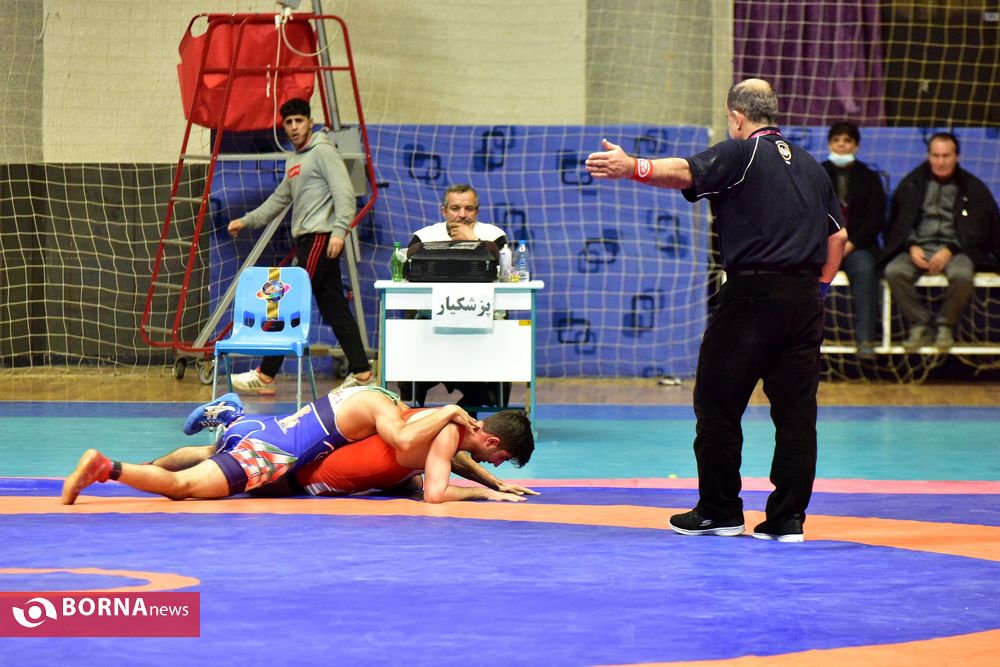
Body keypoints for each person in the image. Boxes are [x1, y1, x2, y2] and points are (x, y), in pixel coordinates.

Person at [585, 78, 847, 543]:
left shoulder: (741, 152)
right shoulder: (811, 165)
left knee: (717, 404)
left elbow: (686, 171)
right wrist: (817, 288)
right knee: (796, 416)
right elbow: (838, 238)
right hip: (805, 303)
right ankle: (787, 519)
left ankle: (720, 510)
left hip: (751, 297)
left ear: (737, 117)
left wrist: (631, 167)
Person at [60, 386, 481, 504]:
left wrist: (484, 477)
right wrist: (449, 410)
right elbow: (407, 441)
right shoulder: (385, 412)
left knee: (208, 454)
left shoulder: (366, 397)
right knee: (184, 488)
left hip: (269, 427)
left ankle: (230, 415)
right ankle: (106, 467)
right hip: (269, 454)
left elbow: (418, 446)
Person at [226, 97, 373, 395]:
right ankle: (362, 372)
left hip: (320, 238)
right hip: (308, 239)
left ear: (310, 122)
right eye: (289, 123)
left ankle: (266, 375)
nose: (294, 127)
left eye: (299, 121)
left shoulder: (323, 152)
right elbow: (279, 199)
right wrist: (246, 220)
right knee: (334, 309)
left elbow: (345, 193)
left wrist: (339, 231)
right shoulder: (294, 160)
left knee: (286, 301)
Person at [880, 132, 1000, 352]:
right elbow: (899, 222)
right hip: (919, 246)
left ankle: (945, 324)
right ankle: (920, 322)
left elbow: (979, 227)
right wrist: (911, 245)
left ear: (957, 157)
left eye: (946, 156)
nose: (941, 161)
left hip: (958, 249)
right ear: (929, 156)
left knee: (962, 275)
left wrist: (950, 249)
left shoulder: (973, 188)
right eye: (936, 155)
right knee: (894, 271)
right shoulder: (912, 183)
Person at [257, 409, 537, 503]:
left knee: (412, 482)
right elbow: (435, 496)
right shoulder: (448, 432)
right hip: (308, 479)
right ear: (491, 441)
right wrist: (485, 493)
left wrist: (495, 483)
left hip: (318, 459)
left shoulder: (450, 422)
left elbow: (453, 459)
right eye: (502, 457)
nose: (496, 463)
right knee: (246, 482)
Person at [402, 184, 511, 413]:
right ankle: (416, 410)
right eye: (455, 208)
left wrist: (473, 239)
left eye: (468, 208)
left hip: (482, 319)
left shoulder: (494, 235)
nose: (462, 215)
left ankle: (470, 406)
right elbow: (406, 271)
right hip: (433, 319)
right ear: (443, 211)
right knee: (407, 336)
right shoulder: (424, 236)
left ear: (477, 211)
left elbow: (503, 273)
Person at [821, 122, 887, 360]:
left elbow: (875, 218)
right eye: (836, 140)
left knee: (866, 270)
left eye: (847, 140)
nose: (841, 144)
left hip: (857, 246)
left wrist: (851, 243)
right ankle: (803, 340)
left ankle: (866, 339)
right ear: (829, 144)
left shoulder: (870, 178)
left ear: (856, 146)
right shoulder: (816, 174)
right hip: (823, 246)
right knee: (803, 275)